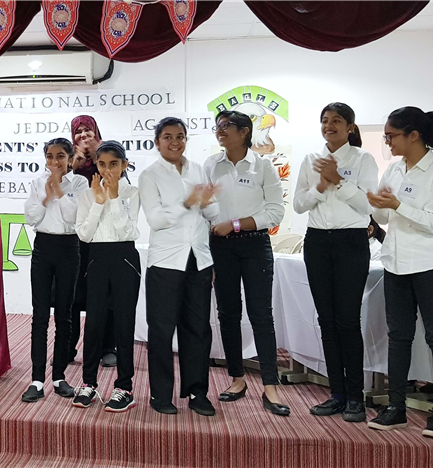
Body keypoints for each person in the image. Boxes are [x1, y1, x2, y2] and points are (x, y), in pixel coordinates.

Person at [366, 106, 433, 439]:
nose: (388, 142)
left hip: (432, 263)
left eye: (391, 136)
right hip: (396, 262)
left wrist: (397, 205)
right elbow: (384, 218)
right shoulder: (394, 169)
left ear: (414, 135)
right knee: (398, 336)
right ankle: (396, 408)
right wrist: (378, 203)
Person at [293, 103, 379, 422]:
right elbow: (299, 204)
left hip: (350, 243)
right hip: (317, 242)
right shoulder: (309, 160)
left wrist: (338, 181)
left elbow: (368, 206)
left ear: (350, 127)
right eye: (325, 121)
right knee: (326, 321)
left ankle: (355, 397)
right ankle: (337, 394)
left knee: (347, 320)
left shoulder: (363, 159)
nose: (329, 126)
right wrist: (320, 186)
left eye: (337, 121)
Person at [204, 110, 290, 416]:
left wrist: (236, 224)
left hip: (254, 245)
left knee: (261, 315)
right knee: (227, 314)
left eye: (226, 126)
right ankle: (237, 379)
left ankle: (270, 386)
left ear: (244, 132)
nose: (220, 131)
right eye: (217, 126)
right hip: (219, 248)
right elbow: (204, 210)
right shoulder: (211, 165)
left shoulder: (263, 166)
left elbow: (275, 212)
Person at [139, 117, 220, 417]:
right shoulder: (150, 175)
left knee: (198, 328)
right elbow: (156, 220)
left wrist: (207, 201)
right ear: (157, 141)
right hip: (165, 261)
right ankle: (161, 395)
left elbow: (213, 212)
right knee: (161, 330)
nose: (175, 142)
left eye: (181, 136)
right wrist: (187, 202)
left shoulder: (198, 169)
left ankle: (198, 393)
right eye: (168, 137)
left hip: (198, 258)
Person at [72, 141, 141, 412]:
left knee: (124, 323)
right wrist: (99, 202)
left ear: (124, 165)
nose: (108, 170)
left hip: (125, 259)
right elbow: (84, 234)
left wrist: (112, 198)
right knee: (94, 323)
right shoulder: (88, 195)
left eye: (114, 164)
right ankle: (88, 383)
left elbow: (128, 231)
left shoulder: (132, 192)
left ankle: (124, 387)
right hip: (97, 259)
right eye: (102, 164)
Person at [21, 138, 88, 403]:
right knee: (39, 315)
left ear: (70, 158)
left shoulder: (79, 183)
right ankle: (37, 379)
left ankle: (59, 376)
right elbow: (31, 218)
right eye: (50, 156)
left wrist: (58, 191)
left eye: (60, 156)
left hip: (69, 248)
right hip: (43, 248)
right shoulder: (38, 182)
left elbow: (75, 217)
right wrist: (46, 197)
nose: (54, 162)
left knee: (64, 313)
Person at [67, 115, 119, 369]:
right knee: (72, 295)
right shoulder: (67, 160)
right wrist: (72, 164)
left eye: (88, 130)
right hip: (75, 238)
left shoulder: (108, 155)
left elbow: (118, 185)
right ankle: (67, 347)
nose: (83, 135)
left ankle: (107, 347)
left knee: (106, 295)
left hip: (104, 236)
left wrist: (99, 153)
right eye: (78, 131)